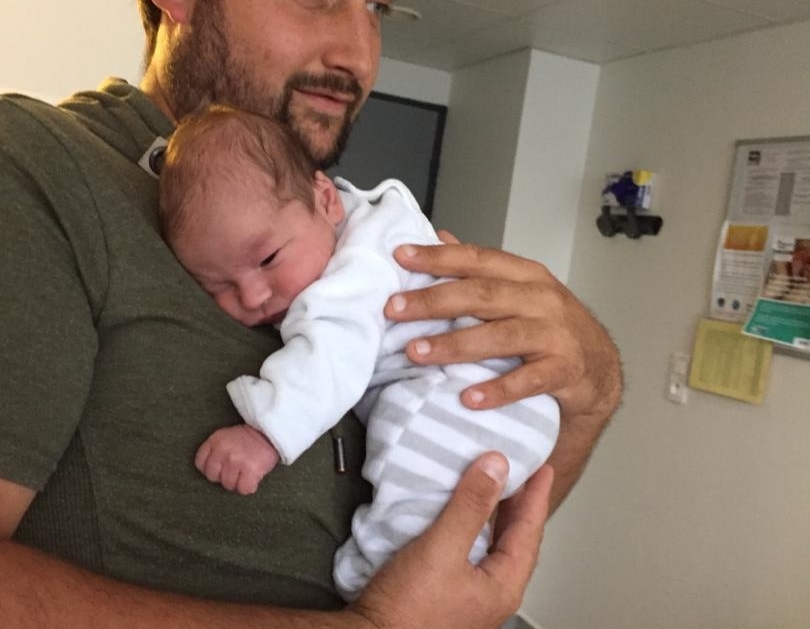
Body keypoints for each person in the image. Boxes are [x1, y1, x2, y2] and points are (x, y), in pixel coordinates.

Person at [0, 0, 622, 629]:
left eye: (377, 5)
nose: (358, 55)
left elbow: (473, 517)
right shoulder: (40, 173)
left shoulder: (352, 234)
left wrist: (586, 393)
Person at [158, 106, 561, 599]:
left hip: (463, 396)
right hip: (508, 404)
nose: (253, 295)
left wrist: (265, 433)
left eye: (268, 259)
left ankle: (380, 579)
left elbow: (331, 357)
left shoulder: (352, 274)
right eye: (217, 286)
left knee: (410, 489)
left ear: (325, 199)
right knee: (436, 498)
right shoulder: (366, 219)